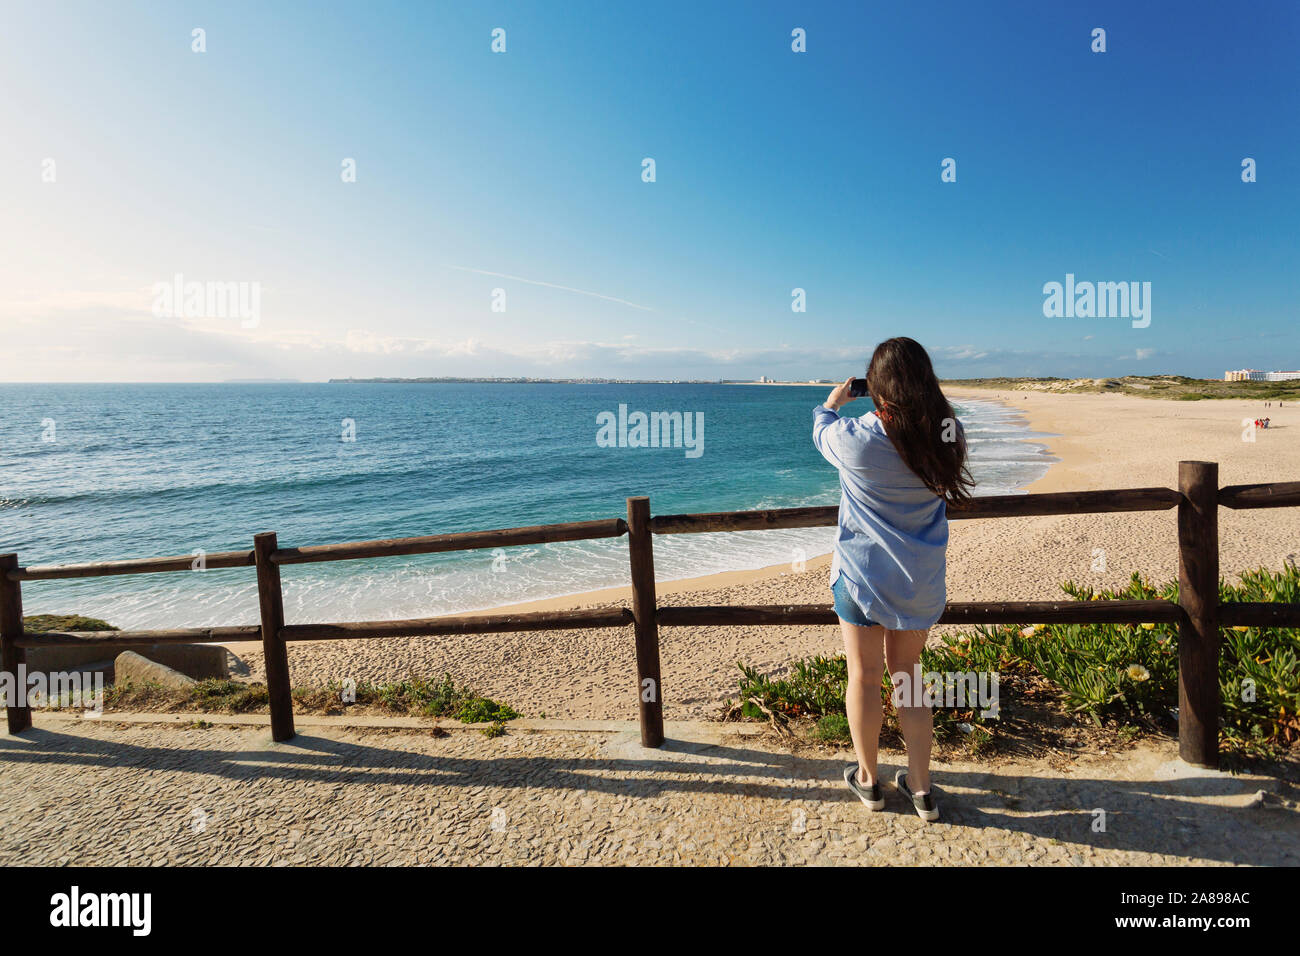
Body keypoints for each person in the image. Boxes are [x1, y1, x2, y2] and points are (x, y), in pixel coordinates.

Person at [813, 337, 973, 822]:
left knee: (863, 676)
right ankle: (922, 789)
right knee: (909, 679)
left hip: (861, 577)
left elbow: (821, 431)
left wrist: (833, 402)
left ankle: (869, 780)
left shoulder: (856, 438)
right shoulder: (948, 435)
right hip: (918, 582)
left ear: (877, 388)